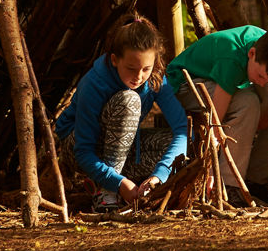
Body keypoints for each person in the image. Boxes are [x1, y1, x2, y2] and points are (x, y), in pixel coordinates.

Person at [54, 16, 190, 212]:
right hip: (80, 150)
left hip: (125, 148)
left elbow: (182, 129)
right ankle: (106, 191)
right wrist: (117, 184)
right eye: (131, 68)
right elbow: (83, 151)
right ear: (115, 60)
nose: (139, 77)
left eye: (146, 69)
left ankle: (132, 185)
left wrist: (159, 176)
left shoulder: (155, 78)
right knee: (129, 100)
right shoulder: (95, 83)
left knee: (189, 144)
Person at [165, 25, 268, 205]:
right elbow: (216, 120)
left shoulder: (267, 45)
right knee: (249, 103)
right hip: (186, 86)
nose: (263, 83)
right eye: (260, 76)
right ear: (251, 54)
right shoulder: (232, 55)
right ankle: (229, 185)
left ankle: (255, 180)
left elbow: (263, 87)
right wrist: (211, 164)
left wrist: (267, 106)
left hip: (227, 84)